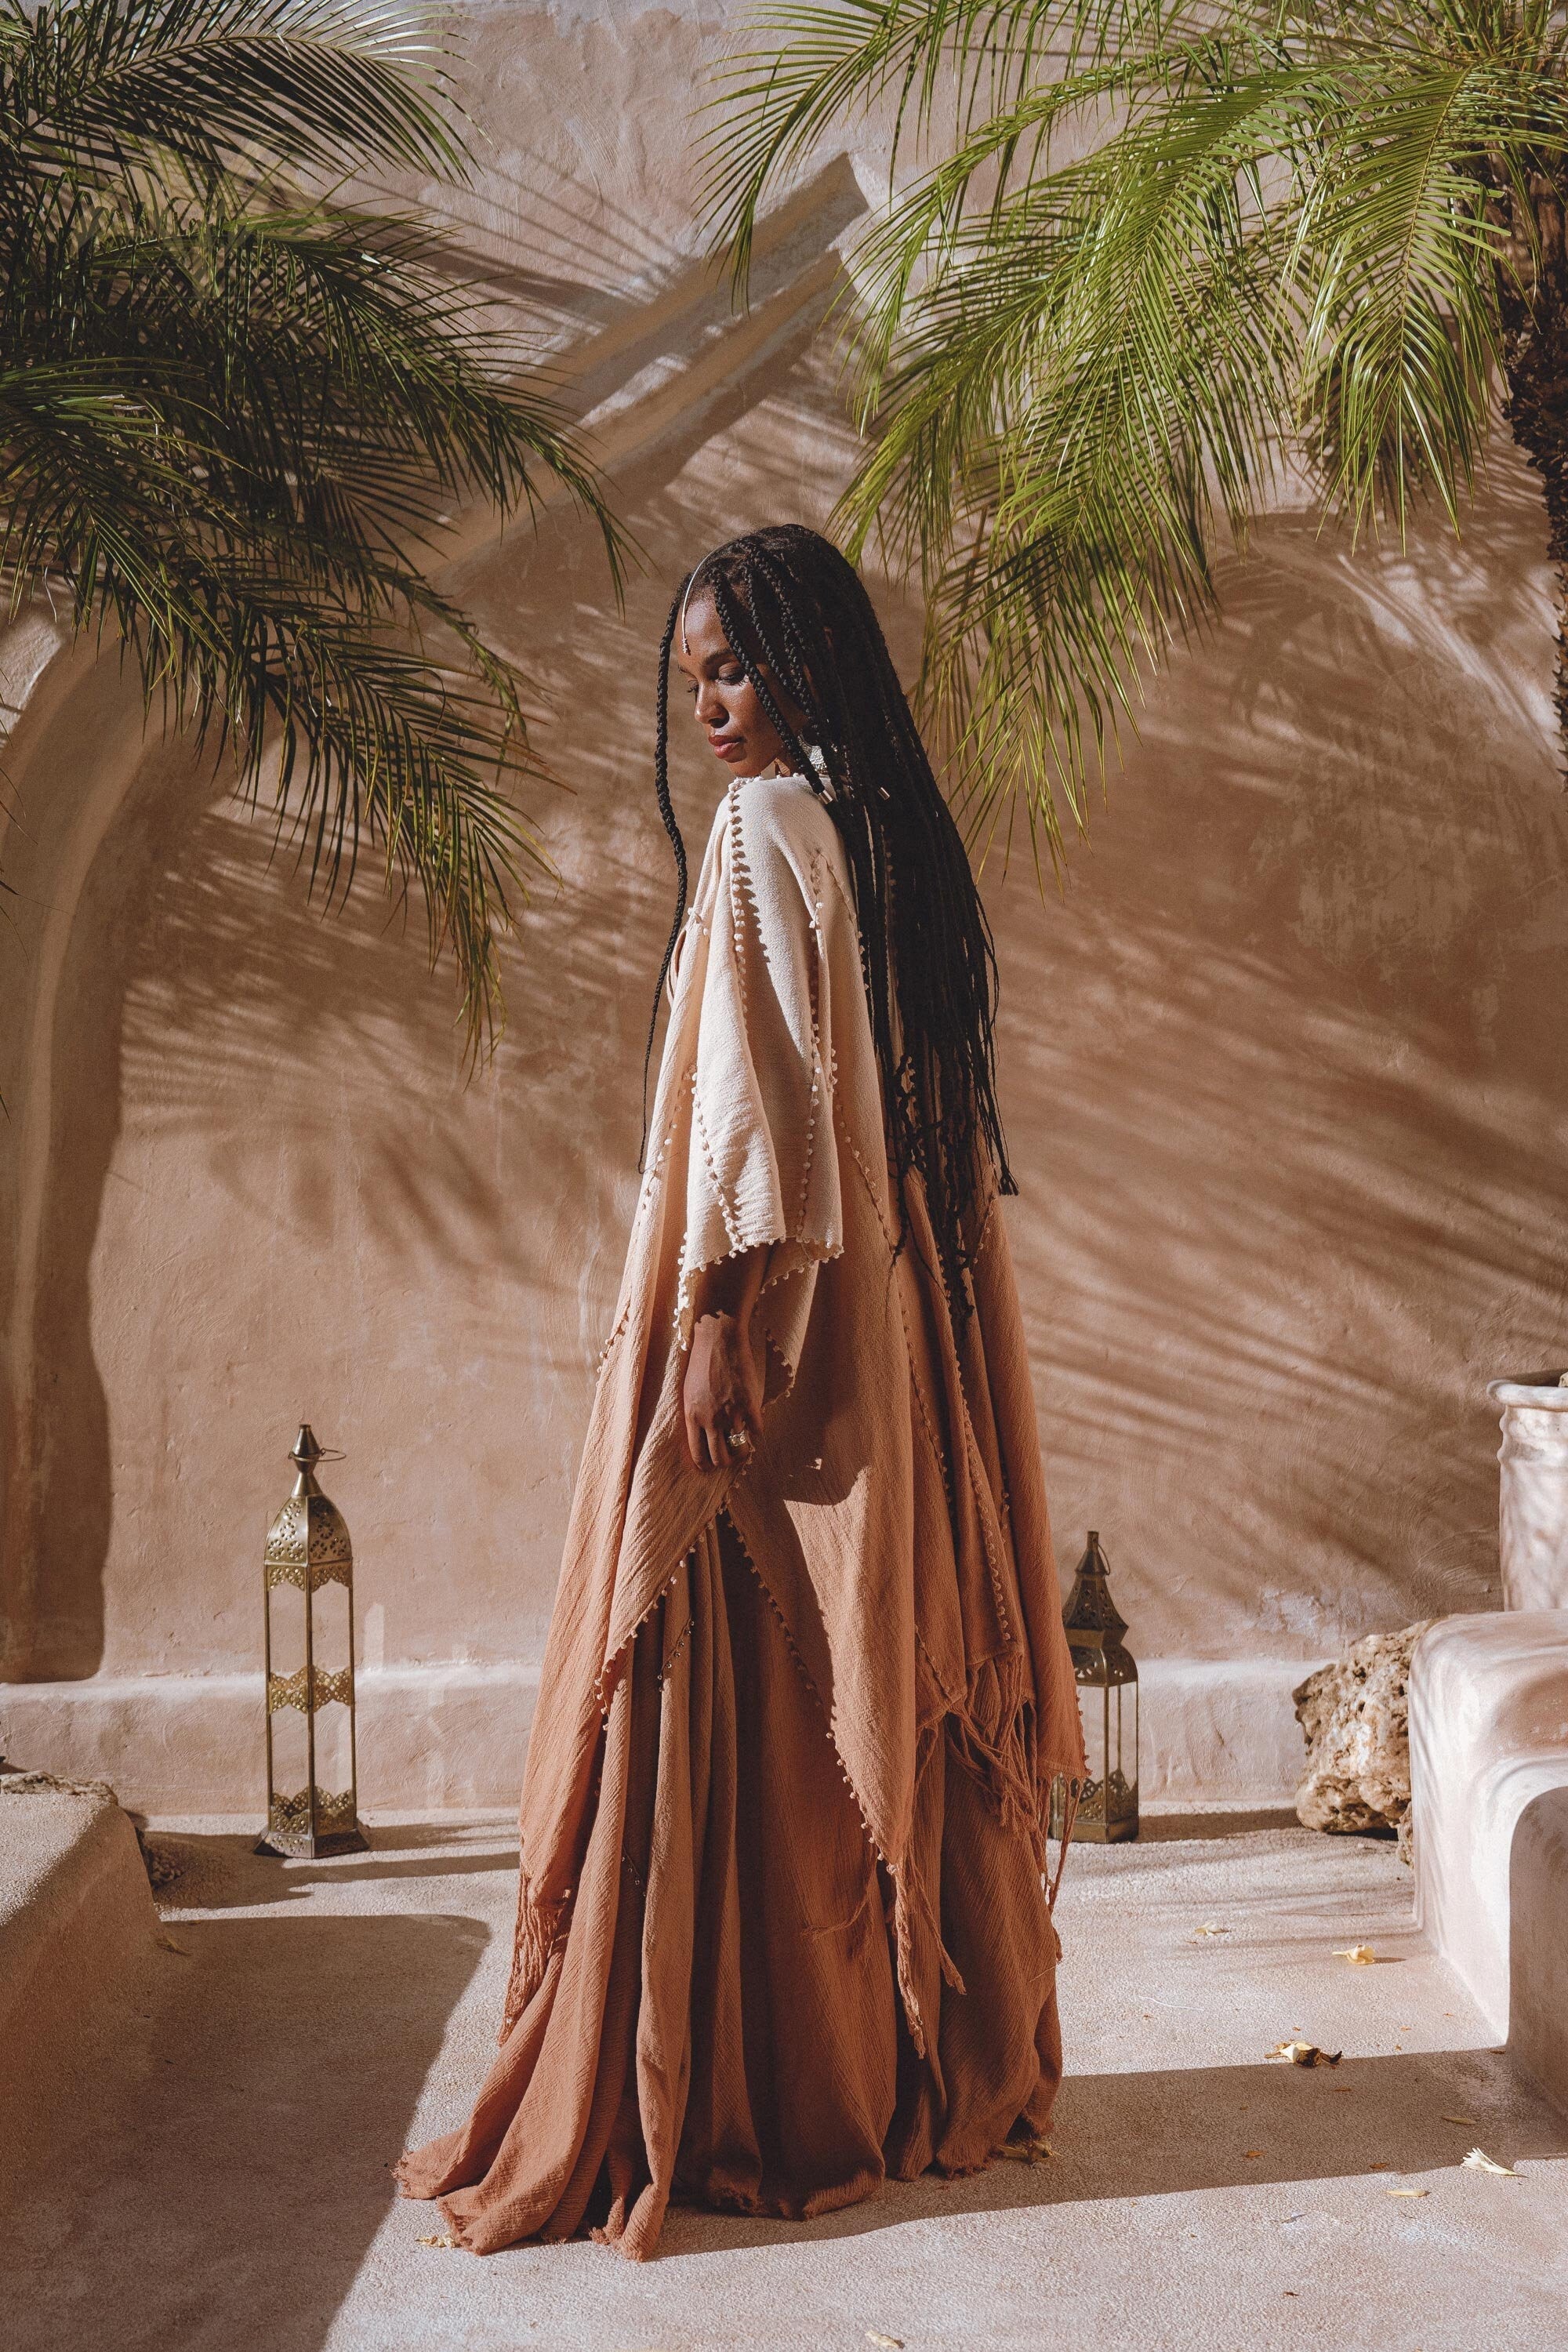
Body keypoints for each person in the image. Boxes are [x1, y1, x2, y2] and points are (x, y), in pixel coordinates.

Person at [396, 524, 1084, 2259]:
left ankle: (726, 2088)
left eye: (738, 665)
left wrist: (713, 1313)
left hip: (764, 1327)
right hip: (879, 1332)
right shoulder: (867, 830)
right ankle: (880, 2065)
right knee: (837, 1675)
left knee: (726, 1672)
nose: (713, 703)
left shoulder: (765, 828)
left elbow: (761, 1109)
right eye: (693, 674)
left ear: (809, 662)